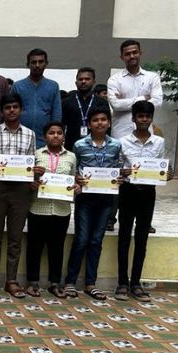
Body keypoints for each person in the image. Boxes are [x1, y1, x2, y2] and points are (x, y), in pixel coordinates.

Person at [63, 107, 123, 300]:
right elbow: (74, 168)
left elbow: (119, 167)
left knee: (96, 241)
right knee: (81, 239)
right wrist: (77, 178)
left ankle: (91, 284)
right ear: (89, 124)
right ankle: (70, 282)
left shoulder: (116, 145)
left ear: (109, 123)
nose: (100, 123)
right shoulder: (79, 144)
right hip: (85, 199)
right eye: (95, 120)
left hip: (106, 199)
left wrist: (120, 178)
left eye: (103, 119)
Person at [0, 93, 36, 298]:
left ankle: (11, 280)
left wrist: (33, 175)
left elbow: (31, 160)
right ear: (2, 111)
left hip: (20, 191)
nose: (11, 110)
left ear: (21, 109)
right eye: (7, 107)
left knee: (15, 236)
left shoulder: (30, 134)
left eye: (15, 107)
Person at [107, 40, 163, 233]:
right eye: (127, 53)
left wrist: (127, 101)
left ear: (140, 53)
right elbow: (115, 104)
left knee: (146, 176)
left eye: (134, 52)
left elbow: (157, 102)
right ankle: (111, 218)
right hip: (120, 134)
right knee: (118, 175)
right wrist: (142, 99)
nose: (131, 56)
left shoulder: (152, 77)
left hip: (146, 137)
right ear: (121, 57)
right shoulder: (115, 79)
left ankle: (145, 220)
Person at [115, 101, 168, 302]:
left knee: (142, 238)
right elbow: (116, 168)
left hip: (148, 193)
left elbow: (163, 168)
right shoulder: (122, 142)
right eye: (140, 116)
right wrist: (122, 172)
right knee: (124, 237)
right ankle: (122, 283)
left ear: (151, 118)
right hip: (128, 191)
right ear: (133, 118)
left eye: (147, 116)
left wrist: (167, 173)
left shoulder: (159, 142)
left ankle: (136, 284)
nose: (144, 119)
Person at [26, 122, 78, 298]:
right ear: (44, 136)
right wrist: (32, 183)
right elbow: (28, 178)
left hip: (61, 210)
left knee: (57, 248)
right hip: (38, 208)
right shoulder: (36, 155)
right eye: (51, 133)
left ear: (64, 136)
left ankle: (55, 283)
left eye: (59, 133)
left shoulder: (71, 157)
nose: (55, 136)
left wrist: (76, 187)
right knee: (34, 247)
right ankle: (32, 282)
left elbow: (73, 179)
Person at [11, 49, 61, 149]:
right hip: (21, 139)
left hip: (45, 140)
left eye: (41, 62)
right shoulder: (18, 86)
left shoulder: (53, 86)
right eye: (34, 62)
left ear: (46, 64)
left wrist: (54, 136)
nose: (37, 65)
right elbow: (11, 112)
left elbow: (56, 114)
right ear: (28, 64)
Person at [61, 67, 108, 150]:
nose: (83, 81)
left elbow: (107, 126)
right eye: (80, 79)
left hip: (96, 146)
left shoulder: (101, 102)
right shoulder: (66, 102)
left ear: (94, 82)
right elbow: (61, 125)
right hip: (71, 146)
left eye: (87, 79)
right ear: (76, 82)